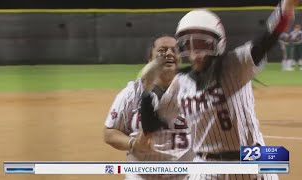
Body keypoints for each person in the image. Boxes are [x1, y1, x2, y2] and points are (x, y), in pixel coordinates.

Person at [139, 0, 298, 179]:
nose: (194, 52)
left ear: (218, 44)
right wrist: (146, 90)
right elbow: (151, 126)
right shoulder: (181, 83)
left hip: (251, 160)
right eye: (188, 44)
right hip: (206, 166)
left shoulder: (235, 65)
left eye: (202, 43)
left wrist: (284, 9)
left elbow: (266, 40)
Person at [103, 34, 192, 180]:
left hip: (184, 175)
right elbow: (109, 133)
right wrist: (133, 144)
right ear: (150, 60)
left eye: (174, 50)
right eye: (162, 51)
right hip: (141, 174)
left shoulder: (194, 91)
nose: (169, 54)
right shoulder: (132, 92)